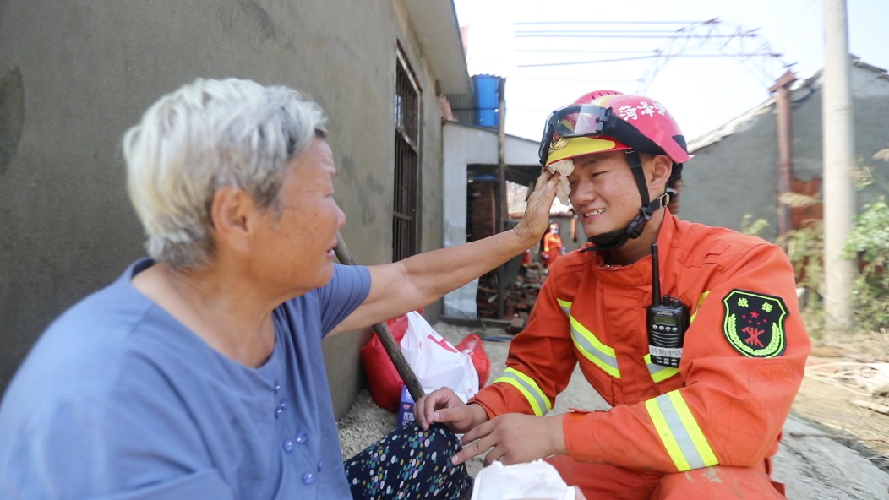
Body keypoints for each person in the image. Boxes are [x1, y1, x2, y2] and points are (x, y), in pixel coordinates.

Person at [0, 79, 561, 500]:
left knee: (439, 443)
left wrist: (520, 236)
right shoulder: (110, 405)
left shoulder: (285, 296)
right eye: (322, 193)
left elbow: (410, 279)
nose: (340, 218)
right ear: (238, 216)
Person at [415, 90, 811, 499]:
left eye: (597, 173)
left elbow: (731, 422)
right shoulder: (569, 278)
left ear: (658, 173)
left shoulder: (742, 267)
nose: (580, 196)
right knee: (511, 485)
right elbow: (534, 374)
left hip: (715, 470)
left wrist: (556, 433)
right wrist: (481, 410)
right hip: (624, 459)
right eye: (571, 180)